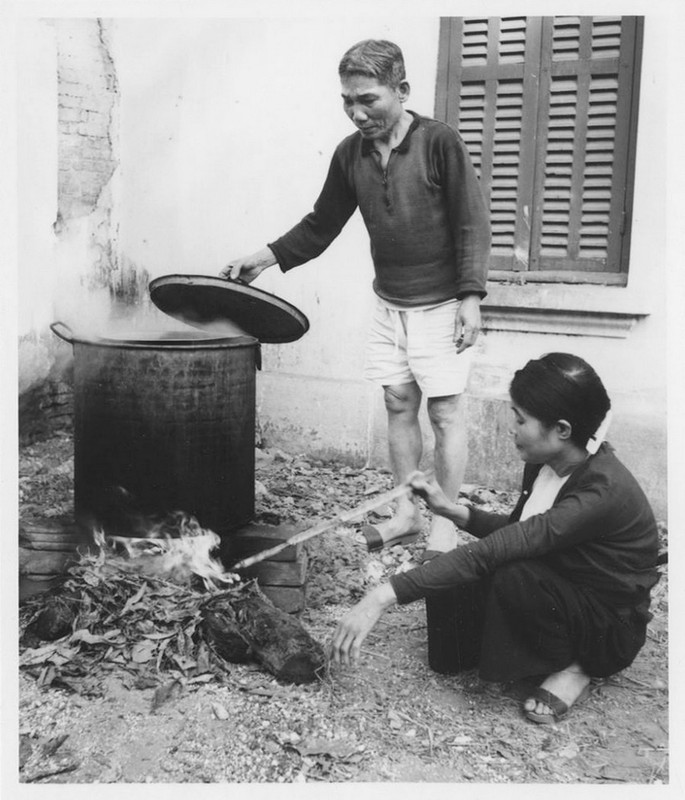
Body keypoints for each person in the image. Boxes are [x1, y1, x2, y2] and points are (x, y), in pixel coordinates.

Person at [221, 39, 491, 555]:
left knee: (445, 414)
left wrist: (471, 296)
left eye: (369, 99)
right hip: (390, 301)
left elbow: (472, 223)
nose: (357, 112)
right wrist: (261, 258)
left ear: (401, 91)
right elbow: (321, 225)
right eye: (347, 100)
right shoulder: (351, 154)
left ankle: (447, 520)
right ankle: (407, 512)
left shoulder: (440, 143)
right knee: (397, 402)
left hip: (441, 304)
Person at [330, 353, 660, 725]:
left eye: (520, 419)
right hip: (563, 584)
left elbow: (505, 548)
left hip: (606, 629)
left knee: (510, 571)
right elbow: (521, 529)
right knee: (449, 613)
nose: (511, 428)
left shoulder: (600, 492)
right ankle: (520, 648)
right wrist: (452, 510)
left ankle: (575, 666)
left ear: (562, 430)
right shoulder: (545, 462)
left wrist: (380, 597)